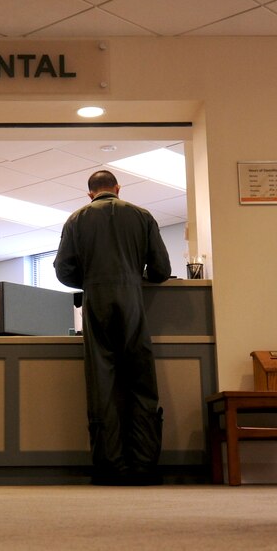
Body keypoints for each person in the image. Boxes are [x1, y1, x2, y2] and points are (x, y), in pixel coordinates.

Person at [54, 170, 171, 486]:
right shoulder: (142, 216)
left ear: (89, 193)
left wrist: (92, 281)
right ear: (118, 189)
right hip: (132, 298)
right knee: (141, 382)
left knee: (102, 384)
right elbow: (162, 270)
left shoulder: (76, 220)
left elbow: (62, 271)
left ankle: (109, 467)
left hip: (97, 300)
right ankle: (145, 465)